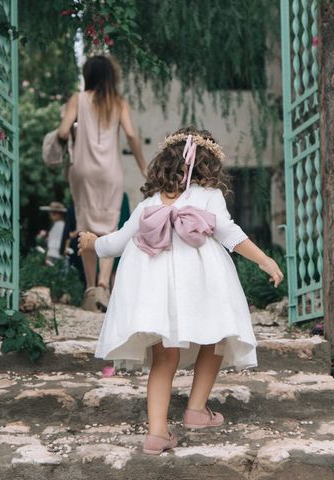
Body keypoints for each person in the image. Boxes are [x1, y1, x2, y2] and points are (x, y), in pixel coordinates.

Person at [78, 127, 284, 455]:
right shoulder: (209, 196)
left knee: (164, 356)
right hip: (199, 287)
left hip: (154, 293)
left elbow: (116, 243)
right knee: (214, 339)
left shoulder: (147, 204)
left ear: (164, 163)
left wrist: (92, 242)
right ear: (208, 165)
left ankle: (157, 433)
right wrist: (263, 259)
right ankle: (196, 410)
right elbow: (229, 233)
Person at [58, 55, 147, 310]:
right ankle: (104, 286)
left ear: (88, 75)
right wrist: (143, 166)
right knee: (109, 228)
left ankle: (90, 289)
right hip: (110, 172)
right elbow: (130, 134)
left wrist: (72, 136)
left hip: (83, 171)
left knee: (86, 229)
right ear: (111, 76)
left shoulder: (78, 99)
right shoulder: (118, 103)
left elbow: (64, 131)